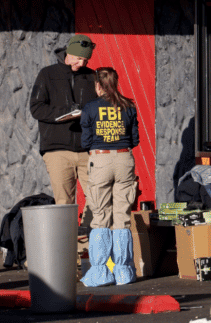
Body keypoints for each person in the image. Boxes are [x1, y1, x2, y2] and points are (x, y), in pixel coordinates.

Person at [29, 34, 99, 229]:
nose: (82, 62)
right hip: (57, 150)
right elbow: (36, 108)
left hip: (87, 149)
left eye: (86, 59)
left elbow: (101, 107)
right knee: (64, 204)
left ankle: (87, 243)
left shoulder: (92, 76)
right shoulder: (47, 74)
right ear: (69, 53)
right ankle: (68, 252)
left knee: (98, 199)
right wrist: (65, 113)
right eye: (79, 58)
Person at [79, 66, 139, 287]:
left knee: (100, 216)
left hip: (100, 159)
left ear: (97, 85)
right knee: (122, 216)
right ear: (116, 83)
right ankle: (123, 272)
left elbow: (85, 141)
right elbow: (135, 139)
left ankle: (100, 272)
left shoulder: (90, 107)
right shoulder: (129, 106)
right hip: (125, 159)